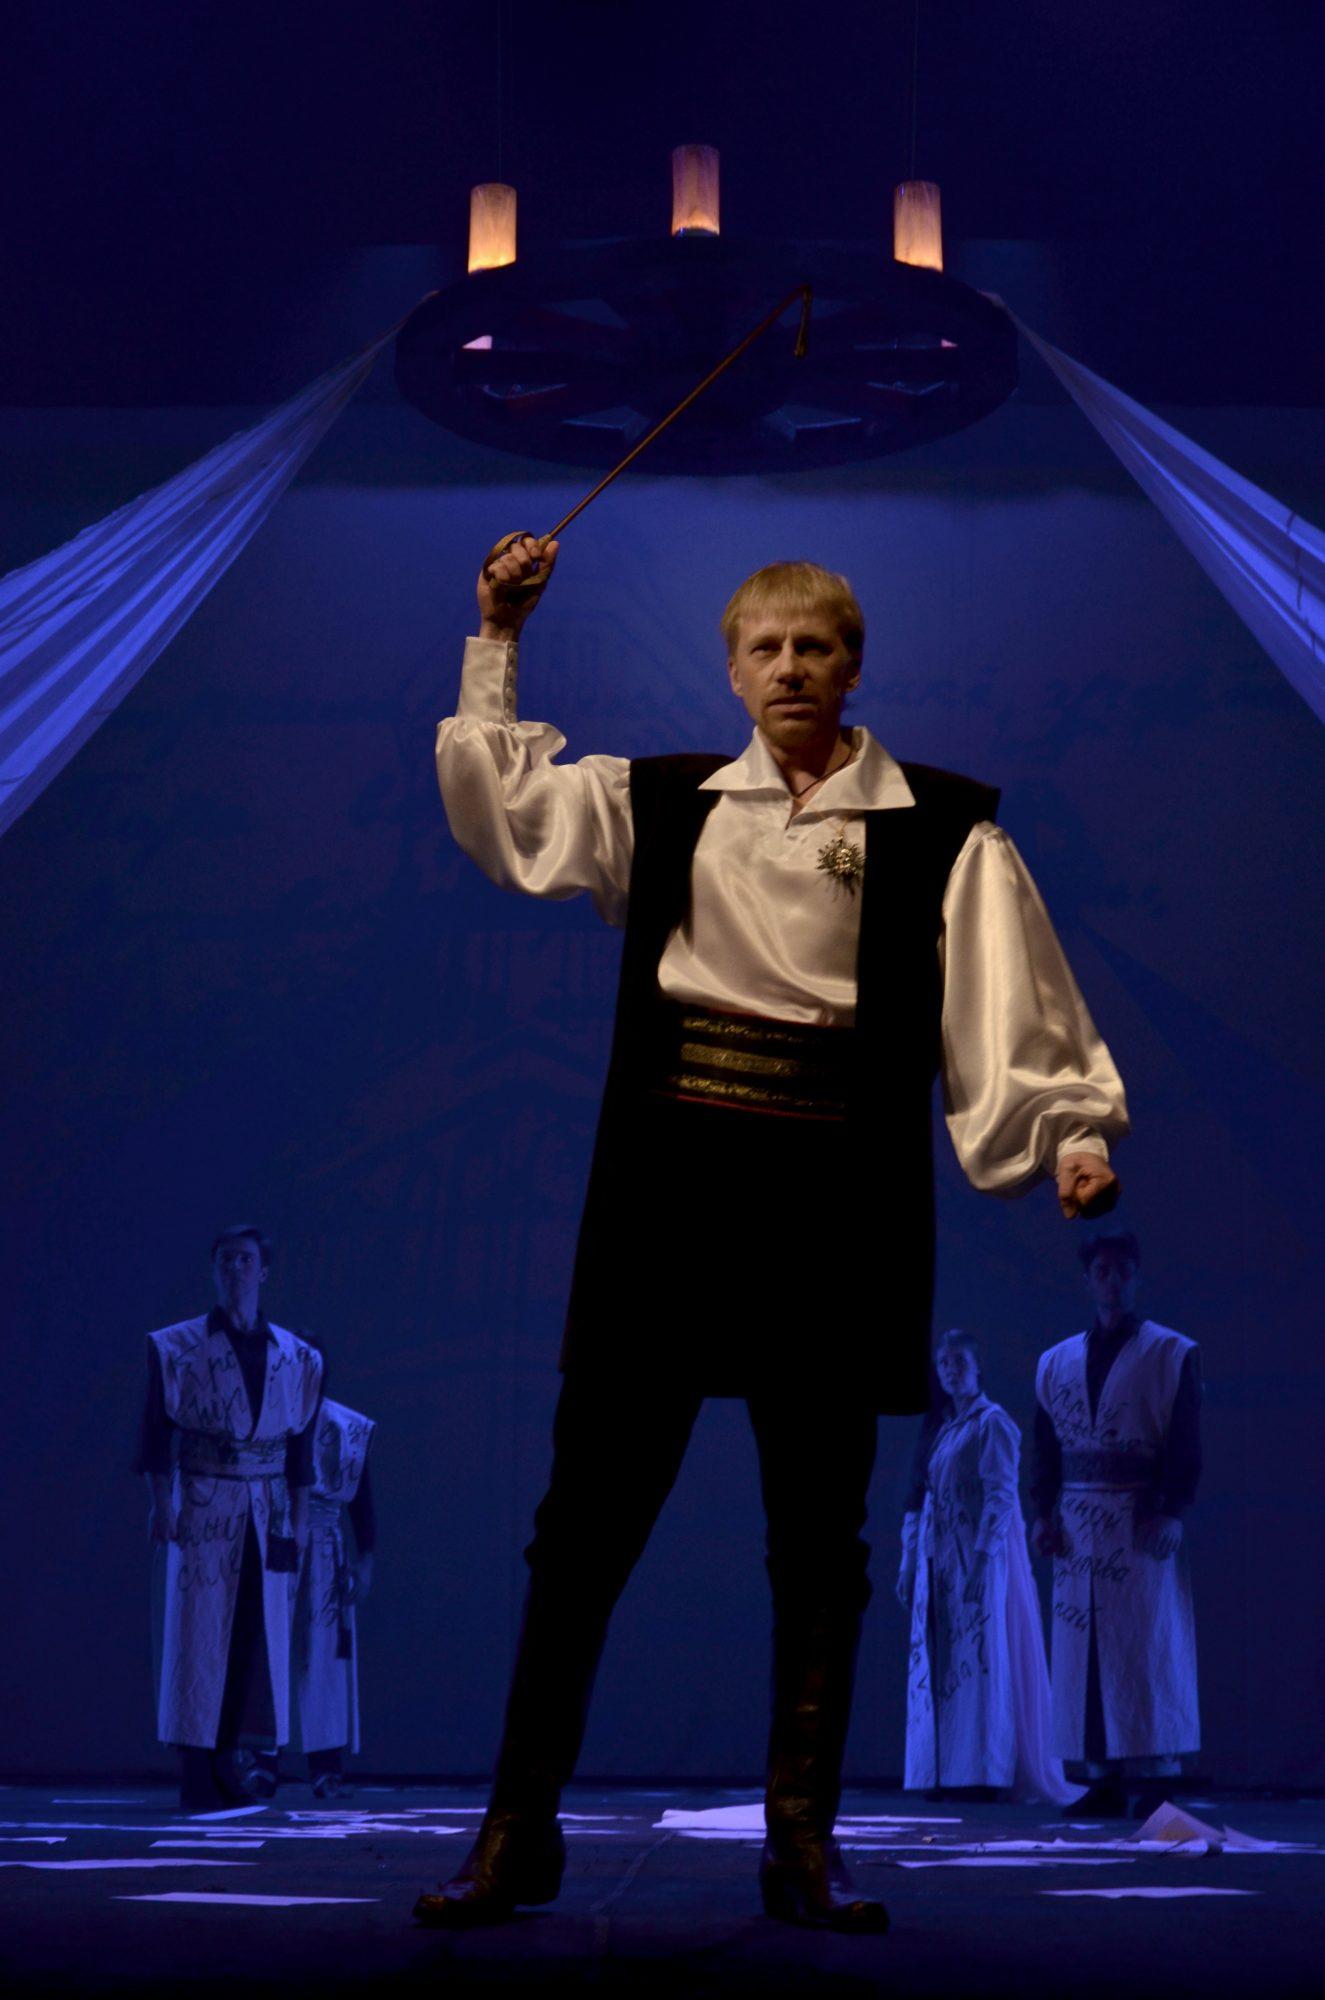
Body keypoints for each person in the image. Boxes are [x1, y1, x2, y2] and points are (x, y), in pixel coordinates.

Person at [418, 534, 1127, 1931]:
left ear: (853, 666)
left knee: (819, 1540)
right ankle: (516, 1831)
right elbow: (505, 811)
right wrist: (496, 637)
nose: (790, 668)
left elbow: (1012, 1000)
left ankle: (800, 1839)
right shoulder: (663, 803)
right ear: (732, 673)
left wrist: (1071, 1135)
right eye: (767, 649)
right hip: (668, 1188)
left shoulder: (942, 828)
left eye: (815, 647)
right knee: (582, 1527)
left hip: (832, 1197)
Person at [136, 1226, 324, 1808]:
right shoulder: (178, 1346)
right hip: (204, 1501)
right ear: (214, 1269)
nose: (234, 1269)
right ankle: (197, 1766)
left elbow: (301, 1451)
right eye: (225, 1260)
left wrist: (297, 1521)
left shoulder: (297, 1356)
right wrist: (161, 1503)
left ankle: (227, 1758)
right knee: (197, 1636)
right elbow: (155, 1433)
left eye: (245, 1260)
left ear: (263, 1271)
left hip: (267, 1508)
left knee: (252, 1632)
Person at [1030, 1228, 1201, 1816]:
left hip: (1139, 1519)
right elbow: (1046, 1446)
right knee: (1086, 1648)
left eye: (1123, 1271)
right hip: (1078, 1524)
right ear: (1088, 1281)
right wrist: (1043, 1513)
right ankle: (1101, 1778)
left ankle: (1153, 1777)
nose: (1113, 1282)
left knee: (1144, 1644)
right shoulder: (1057, 1361)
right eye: (1102, 1272)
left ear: (1137, 1278)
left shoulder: (1169, 1353)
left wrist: (1171, 1508)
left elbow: (1184, 1438)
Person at [897, 1330, 1079, 1805]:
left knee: (979, 1660)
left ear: (977, 1367)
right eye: (944, 1363)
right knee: (942, 1664)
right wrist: (910, 1560)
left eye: (959, 1361)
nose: (951, 1370)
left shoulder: (991, 1423)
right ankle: (945, 1769)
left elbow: (1000, 1495)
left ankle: (982, 1770)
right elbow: (922, 1497)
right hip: (939, 1560)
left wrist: (981, 1560)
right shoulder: (943, 1431)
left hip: (974, 1558)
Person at [291, 1394, 377, 1799]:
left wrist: (366, 1559)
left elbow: (360, 1495)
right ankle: (260, 1761)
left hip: (323, 1548)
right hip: (277, 1541)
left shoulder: (344, 1426)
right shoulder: (271, 1414)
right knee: (271, 1653)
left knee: (325, 1660)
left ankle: (325, 1765)